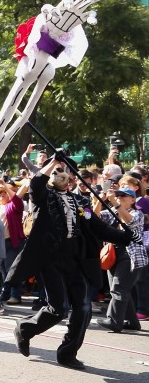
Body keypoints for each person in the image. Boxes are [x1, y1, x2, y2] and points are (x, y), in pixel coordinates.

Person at [9, 157, 132, 370]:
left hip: (76, 260)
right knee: (58, 309)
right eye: (56, 172)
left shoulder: (80, 202)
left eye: (63, 172)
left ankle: (67, 353)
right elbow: (37, 182)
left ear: (71, 180)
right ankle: (25, 329)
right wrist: (52, 161)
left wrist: (126, 237)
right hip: (51, 260)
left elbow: (98, 228)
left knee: (83, 308)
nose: (61, 175)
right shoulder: (43, 197)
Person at [95, 188, 145, 332]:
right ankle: (132, 322)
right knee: (118, 290)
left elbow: (129, 221)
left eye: (124, 196)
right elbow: (93, 217)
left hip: (130, 254)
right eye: (117, 195)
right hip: (113, 254)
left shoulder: (137, 214)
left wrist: (115, 205)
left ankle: (114, 321)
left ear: (133, 200)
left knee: (119, 289)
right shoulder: (111, 212)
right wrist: (99, 200)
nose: (119, 197)